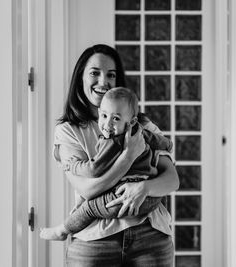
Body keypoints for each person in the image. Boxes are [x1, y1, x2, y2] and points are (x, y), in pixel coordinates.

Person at [47, 44, 179, 266]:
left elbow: (172, 180)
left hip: (150, 233)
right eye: (95, 73)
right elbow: (88, 190)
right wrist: (128, 157)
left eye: (111, 74)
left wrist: (144, 188)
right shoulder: (69, 130)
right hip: (93, 240)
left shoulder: (141, 125)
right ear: (80, 77)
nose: (103, 81)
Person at [39, 87, 173, 241]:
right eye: (103, 116)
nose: (107, 124)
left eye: (115, 118)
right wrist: (168, 144)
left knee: (88, 208)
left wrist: (72, 165)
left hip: (124, 198)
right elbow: (160, 141)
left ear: (132, 121)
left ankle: (62, 231)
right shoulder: (140, 131)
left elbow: (94, 169)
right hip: (151, 199)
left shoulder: (112, 142)